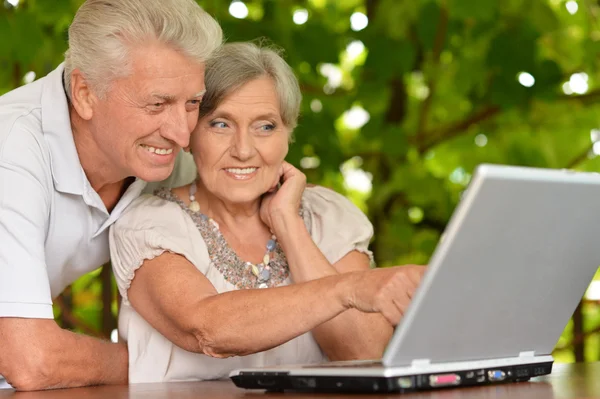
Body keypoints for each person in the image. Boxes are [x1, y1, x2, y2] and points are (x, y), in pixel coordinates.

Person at [109, 42, 426, 383]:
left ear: (288, 134)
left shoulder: (325, 217)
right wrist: (348, 289)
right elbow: (210, 329)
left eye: (265, 127)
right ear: (189, 135)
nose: (244, 150)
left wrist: (288, 224)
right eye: (220, 124)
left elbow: (363, 352)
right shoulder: (148, 224)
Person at [0, 0, 222, 391]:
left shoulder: (162, 157)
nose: (182, 134)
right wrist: (160, 362)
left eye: (192, 103)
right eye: (157, 103)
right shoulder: (11, 148)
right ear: (85, 93)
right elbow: (31, 360)